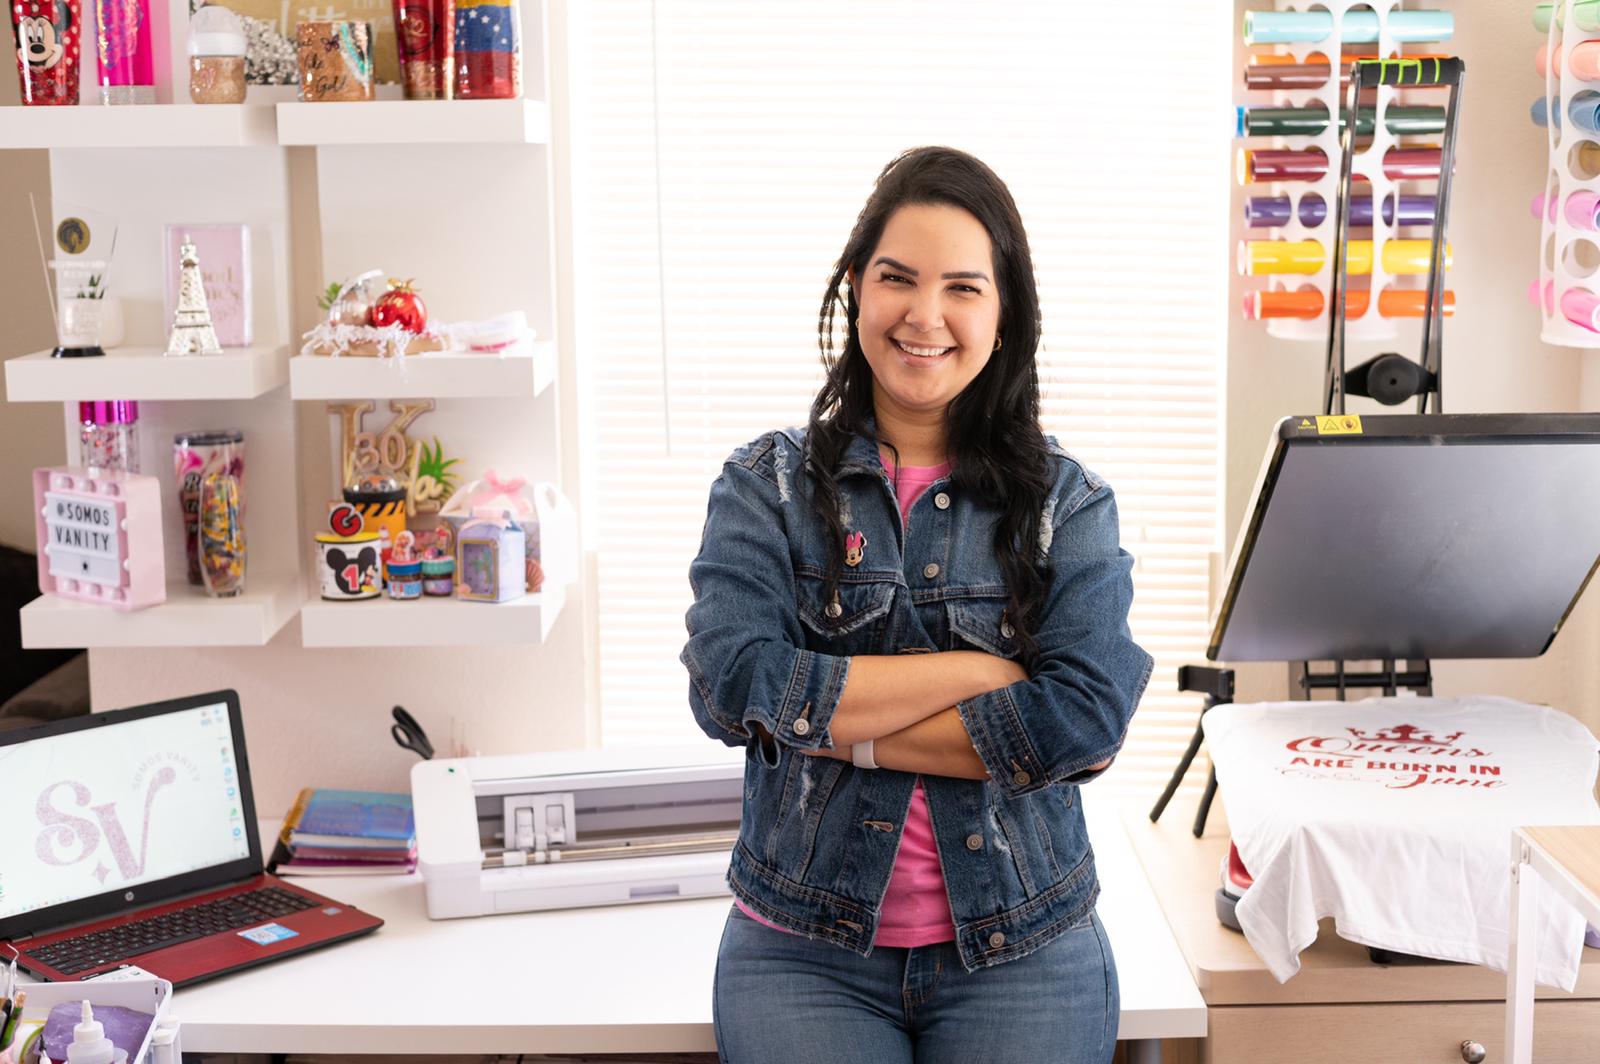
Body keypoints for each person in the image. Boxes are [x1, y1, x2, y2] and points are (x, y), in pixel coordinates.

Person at [681, 146, 1153, 1064]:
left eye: (963, 288)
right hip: (799, 952)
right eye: (897, 278)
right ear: (857, 287)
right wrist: (978, 674)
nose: (923, 315)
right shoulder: (763, 486)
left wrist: (831, 723)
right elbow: (730, 685)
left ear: (1005, 314)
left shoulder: (1069, 503)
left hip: (1027, 947)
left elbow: (1083, 721)